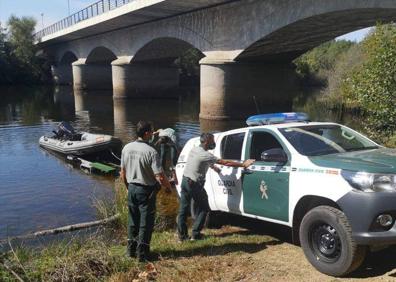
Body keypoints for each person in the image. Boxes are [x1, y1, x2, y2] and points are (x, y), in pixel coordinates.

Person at [177, 133, 255, 241]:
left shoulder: (195, 150)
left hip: (185, 181)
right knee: (204, 208)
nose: (214, 143)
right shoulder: (206, 155)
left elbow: (203, 160)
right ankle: (195, 234)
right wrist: (243, 165)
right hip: (194, 184)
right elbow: (225, 162)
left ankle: (182, 237)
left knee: (183, 210)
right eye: (212, 141)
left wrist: (213, 167)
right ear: (207, 141)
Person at [120, 120, 172, 262]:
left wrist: (127, 187)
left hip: (131, 188)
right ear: (147, 133)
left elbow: (122, 173)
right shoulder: (151, 152)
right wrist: (168, 187)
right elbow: (160, 176)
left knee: (132, 221)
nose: (153, 133)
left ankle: (130, 251)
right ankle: (142, 255)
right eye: (152, 131)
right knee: (146, 223)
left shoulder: (127, 148)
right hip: (146, 192)